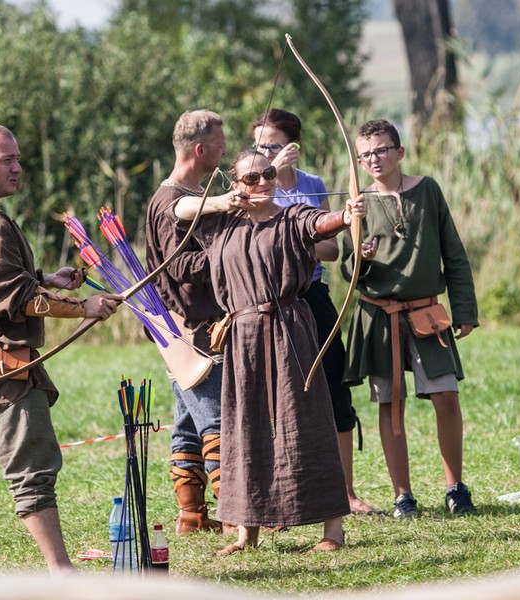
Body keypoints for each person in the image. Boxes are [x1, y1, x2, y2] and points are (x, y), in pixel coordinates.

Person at [0, 123, 121, 583]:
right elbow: (6, 298)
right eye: (6, 160)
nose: (18, 168)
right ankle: (61, 573)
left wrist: (44, 279)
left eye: (18, 158)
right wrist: (83, 308)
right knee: (33, 471)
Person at [174, 150, 365, 554]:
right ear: (235, 183)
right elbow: (178, 208)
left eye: (269, 174)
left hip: (289, 329)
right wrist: (223, 202)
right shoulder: (220, 224)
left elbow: (321, 224)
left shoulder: (291, 217)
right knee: (245, 428)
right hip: (241, 333)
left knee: (306, 419)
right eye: (252, 177)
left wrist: (347, 217)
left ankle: (333, 530)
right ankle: (247, 531)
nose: (262, 181)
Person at [341, 119, 479, 518]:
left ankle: (456, 488)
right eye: (365, 154)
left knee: (446, 397)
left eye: (382, 149)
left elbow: (453, 253)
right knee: (390, 403)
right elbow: (349, 272)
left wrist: (465, 310)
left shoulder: (428, 190)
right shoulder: (358, 203)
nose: (374, 159)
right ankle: (403, 496)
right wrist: (361, 257)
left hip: (426, 315)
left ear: (399, 152)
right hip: (379, 318)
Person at [251, 108, 380, 516]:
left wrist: (290, 239)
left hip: (314, 294)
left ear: (292, 147)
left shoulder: (312, 184)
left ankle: (346, 492)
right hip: (272, 301)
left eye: (270, 145)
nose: (262, 153)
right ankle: (277, 498)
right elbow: (250, 238)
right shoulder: (253, 186)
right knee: (275, 398)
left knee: (334, 390)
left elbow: (330, 248)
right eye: (256, 146)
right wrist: (267, 175)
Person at [145, 110, 228, 534]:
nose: (225, 150)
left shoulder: (192, 192)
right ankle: (237, 514)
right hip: (190, 330)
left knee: (187, 423)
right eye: (220, 144)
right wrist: (231, 254)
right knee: (216, 420)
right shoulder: (168, 202)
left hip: (188, 326)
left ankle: (192, 516)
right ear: (200, 149)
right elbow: (181, 267)